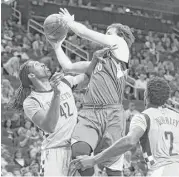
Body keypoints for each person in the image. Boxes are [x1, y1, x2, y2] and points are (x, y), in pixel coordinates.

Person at [48, 8, 134, 176]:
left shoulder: (121, 48)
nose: (107, 35)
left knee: (113, 170)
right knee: (79, 152)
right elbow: (68, 67)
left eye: (111, 33)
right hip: (90, 113)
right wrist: (57, 47)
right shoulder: (98, 61)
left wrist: (69, 22)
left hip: (113, 114)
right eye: (107, 33)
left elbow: (86, 34)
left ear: (120, 37)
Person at [9, 46, 110, 176]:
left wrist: (94, 59)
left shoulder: (64, 81)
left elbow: (86, 78)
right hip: (55, 152)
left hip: (77, 147)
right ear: (31, 75)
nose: (43, 64)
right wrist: (55, 93)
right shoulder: (31, 101)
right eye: (37, 65)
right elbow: (49, 126)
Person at [70, 77, 179, 177]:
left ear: (146, 95)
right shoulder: (176, 116)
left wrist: (93, 160)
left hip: (161, 171)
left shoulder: (144, 117)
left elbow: (129, 142)